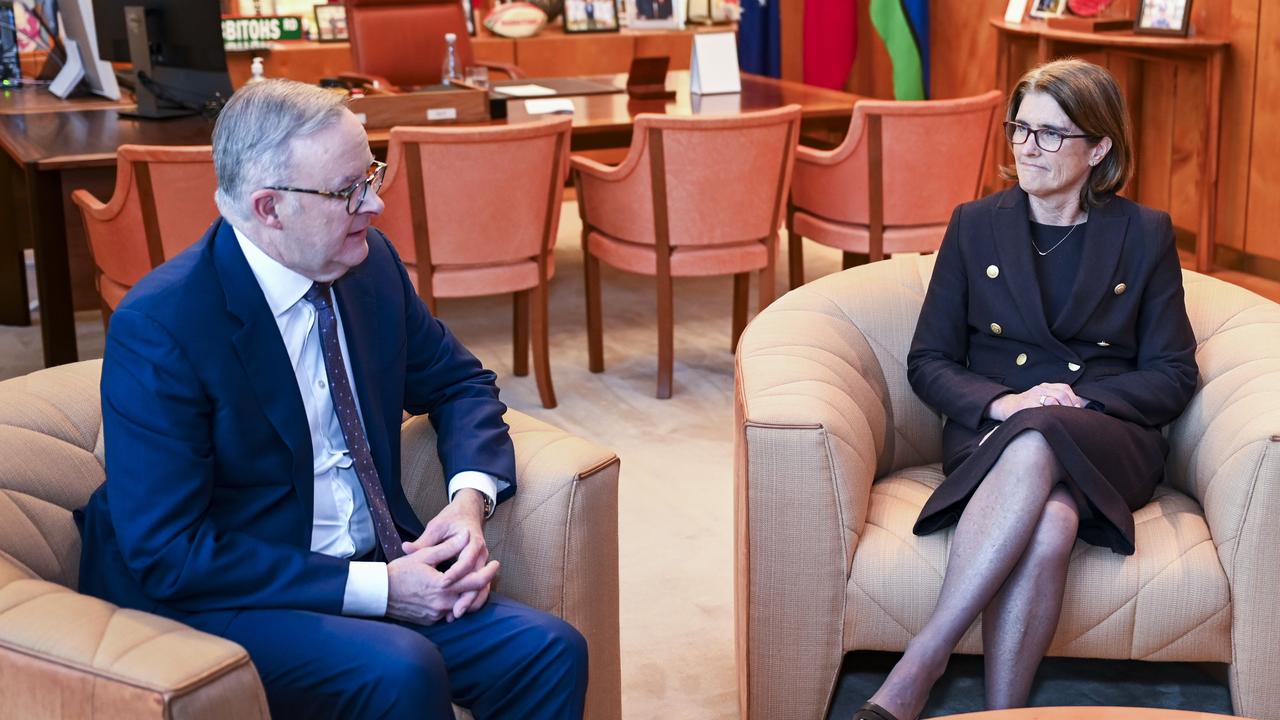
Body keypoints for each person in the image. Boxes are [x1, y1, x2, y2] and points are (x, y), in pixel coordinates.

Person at [75, 79, 588, 720]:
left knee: (549, 651)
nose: (375, 204)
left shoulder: (367, 269)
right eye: (349, 191)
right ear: (269, 207)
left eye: (371, 174)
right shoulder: (164, 325)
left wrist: (467, 505)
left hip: (375, 558)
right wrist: (382, 590)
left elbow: (459, 383)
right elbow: (168, 551)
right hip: (232, 594)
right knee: (402, 669)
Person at [853, 59, 1198, 720]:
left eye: (1051, 133)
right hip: (992, 431)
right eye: (1020, 129)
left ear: (1100, 148)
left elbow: (1174, 372)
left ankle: (922, 662)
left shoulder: (1145, 234)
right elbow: (929, 359)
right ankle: (1005, 714)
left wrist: (1083, 403)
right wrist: (1006, 404)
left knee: (1045, 434)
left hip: (1106, 435)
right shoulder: (973, 224)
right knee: (1052, 526)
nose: (1027, 147)